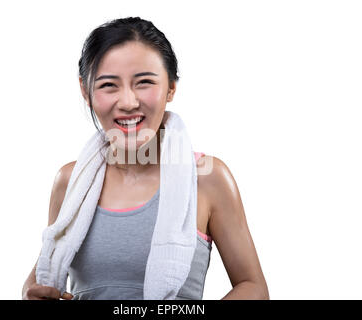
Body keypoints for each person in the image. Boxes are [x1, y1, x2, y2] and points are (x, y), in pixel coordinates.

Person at [22, 17, 269, 300]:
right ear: (85, 91)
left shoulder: (207, 177)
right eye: (108, 85)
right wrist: (33, 292)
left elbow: (253, 287)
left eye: (144, 82)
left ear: (171, 88)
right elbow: (44, 269)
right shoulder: (70, 180)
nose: (127, 102)